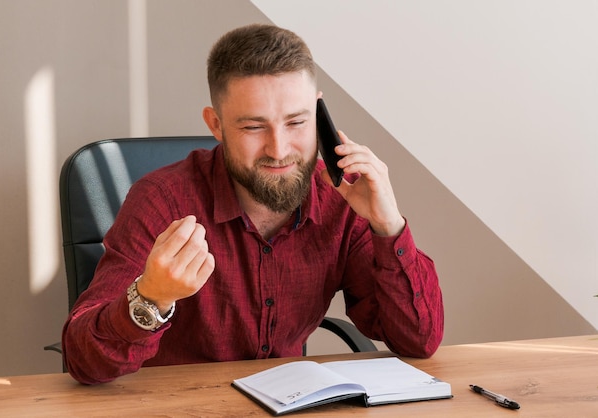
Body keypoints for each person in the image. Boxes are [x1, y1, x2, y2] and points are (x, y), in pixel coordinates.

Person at [62, 23, 444, 385]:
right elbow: (84, 361)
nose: (279, 150)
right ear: (216, 124)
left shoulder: (343, 200)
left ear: (318, 112)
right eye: (253, 127)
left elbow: (419, 341)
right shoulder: (162, 201)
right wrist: (152, 297)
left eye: (297, 122)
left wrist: (387, 224)